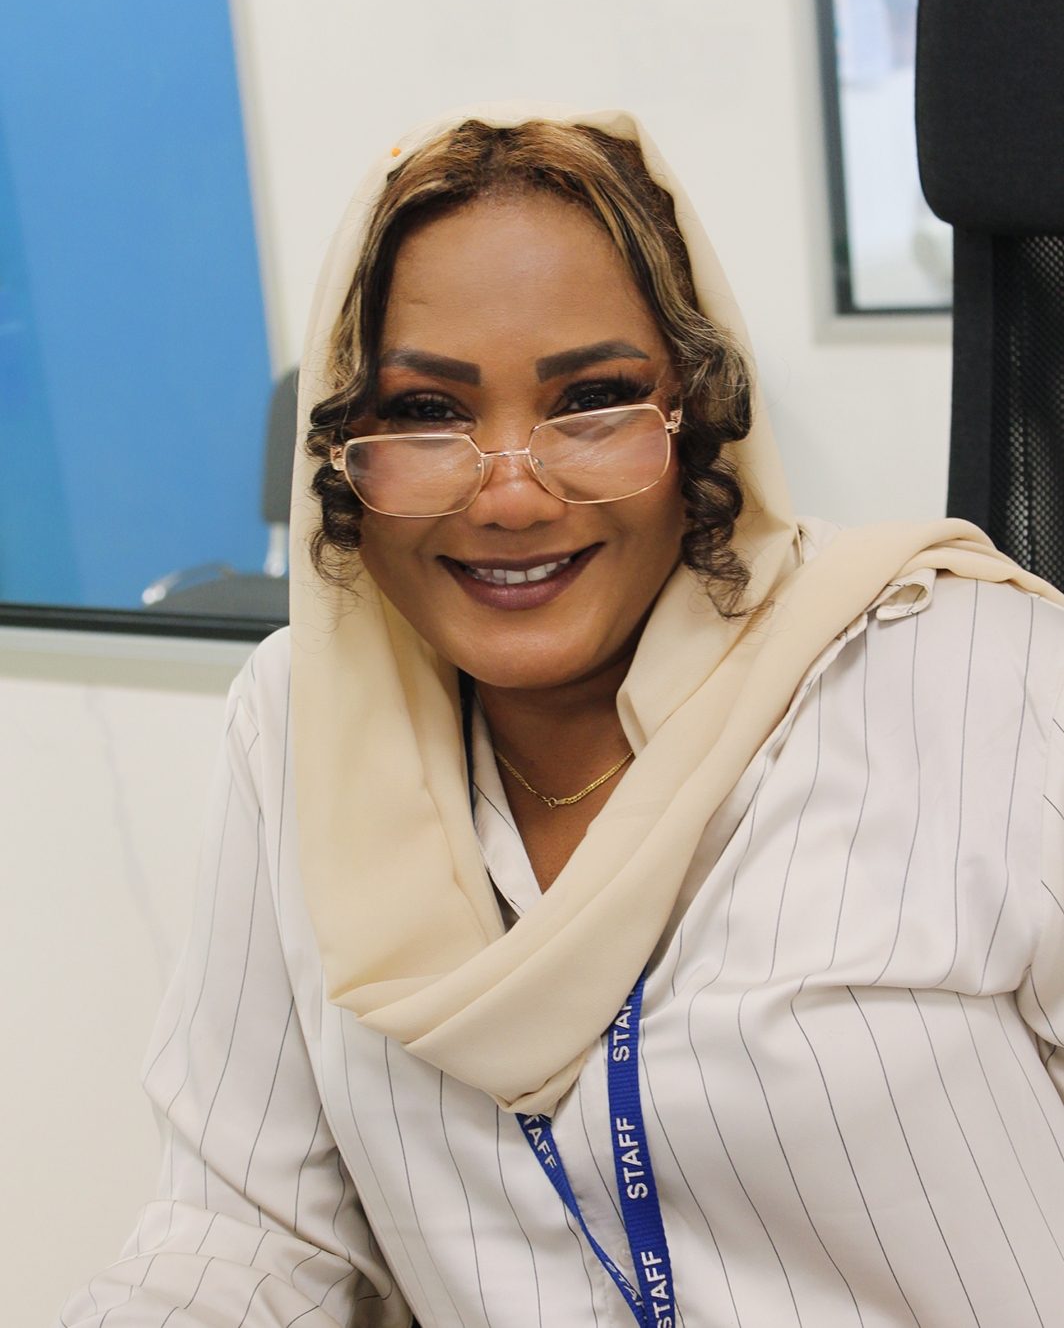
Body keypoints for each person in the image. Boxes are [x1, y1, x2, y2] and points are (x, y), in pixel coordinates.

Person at [59, 105, 1064, 1328]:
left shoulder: (974, 677)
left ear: (694, 415)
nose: (512, 494)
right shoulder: (296, 733)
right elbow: (241, 1231)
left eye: (591, 398)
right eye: (428, 414)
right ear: (343, 458)